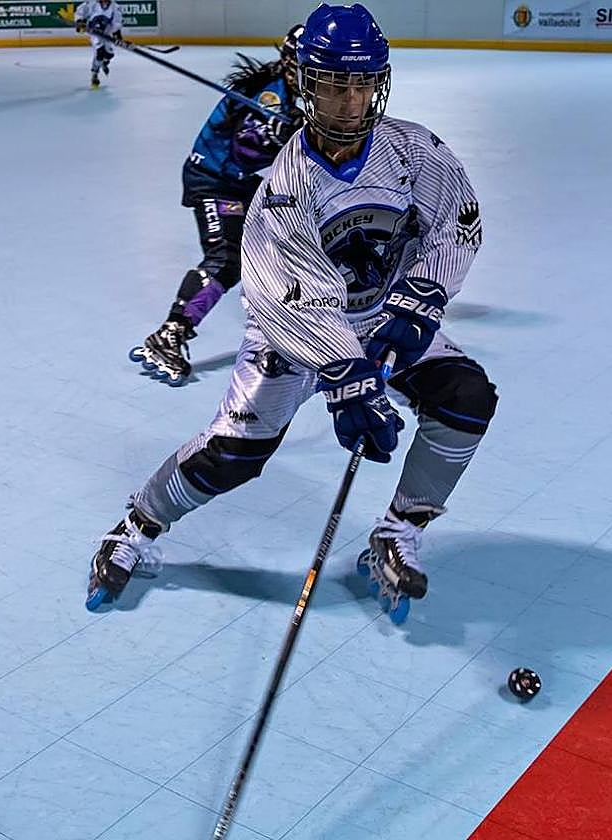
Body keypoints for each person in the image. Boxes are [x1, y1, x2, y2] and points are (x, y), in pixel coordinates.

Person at [86, 3, 497, 624]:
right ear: (305, 85)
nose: (350, 104)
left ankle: (399, 528)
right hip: (295, 336)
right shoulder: (284, 189)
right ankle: (137, 526)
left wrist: (421, 300)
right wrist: (348, 376)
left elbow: (457, 222)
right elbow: (288, 302)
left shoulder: (415, 151)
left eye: (362, 85)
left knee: (466, 398)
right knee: (234, 456)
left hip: (380, 317)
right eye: (334, 86)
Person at [129, 26, 305, 386]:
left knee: (287, 231)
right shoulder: (271, 96)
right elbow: (246, 149)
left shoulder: (286, 92)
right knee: (225, 259)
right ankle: (170, 333)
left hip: (238, 181)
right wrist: (280, 137)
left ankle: (281, 314)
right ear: (292, 63)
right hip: (214, 179)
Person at [74, 0, 123, 89]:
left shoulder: (115, 7)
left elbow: (117, 22)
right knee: (100, 52)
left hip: (106, 33)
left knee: (109, 55)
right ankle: (95, 74)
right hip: (94, 32)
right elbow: (80, 11)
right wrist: (79, 21)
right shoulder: (92, 3)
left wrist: (117, 33)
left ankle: (104, 62)